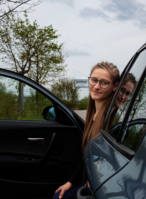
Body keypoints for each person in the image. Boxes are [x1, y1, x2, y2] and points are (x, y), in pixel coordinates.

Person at [53, 62, 120, 199]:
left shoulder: (110, 119)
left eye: (104, 83)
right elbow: (87, 157)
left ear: (115, 86)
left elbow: (110, 160)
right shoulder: (94, 114)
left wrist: (96, 181)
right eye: (94, 80)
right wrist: (70, 182)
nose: (96, 86)